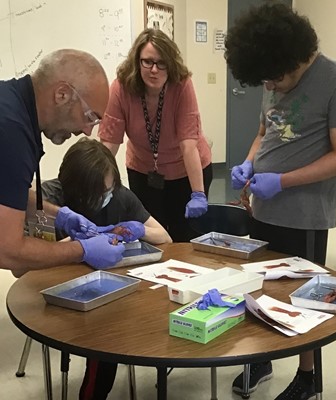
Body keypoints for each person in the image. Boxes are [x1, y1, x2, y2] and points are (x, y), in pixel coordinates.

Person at [224, 3, 336, 400]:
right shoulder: (272, 73)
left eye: (273, 78)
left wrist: (282, 181)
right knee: (258, 287)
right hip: (263, 208)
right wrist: (248, 164)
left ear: (295, 57)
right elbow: (264, 132)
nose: (268, 87)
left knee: (304, 299)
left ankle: (308, 377)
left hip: (305, 216)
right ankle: (261, 357)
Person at [41, 138, 172, 400]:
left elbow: (165, 238)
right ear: (77, 189)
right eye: (99, 193)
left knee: (111, 333)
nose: (106, 197)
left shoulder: (120, 198)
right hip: (56, 297)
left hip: (103, 296)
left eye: (109, 190)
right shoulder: (48, 199)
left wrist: (141, 229)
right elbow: (24, 269)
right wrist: (80, 244)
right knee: (103, 338)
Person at [0, 49, 125, 277]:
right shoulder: (11, 132)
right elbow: (7, 250)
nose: (87, 130)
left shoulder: (11, 103)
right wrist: (81, 250)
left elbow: (7, 193)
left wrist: (58, 215)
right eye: (90, 117)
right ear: (62, 95)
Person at [99, 28, 213, 242]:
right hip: (143, 170)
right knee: (151, 236)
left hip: (185, 170)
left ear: (170, 65)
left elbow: (188, 145)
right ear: (137, 61)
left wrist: (197, 192)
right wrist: (97, 182)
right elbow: (109, 143)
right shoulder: (121, 87)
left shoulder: (182, 84)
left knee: (183, 237)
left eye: (161, 63)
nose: (154, 70)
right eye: (147, 62)